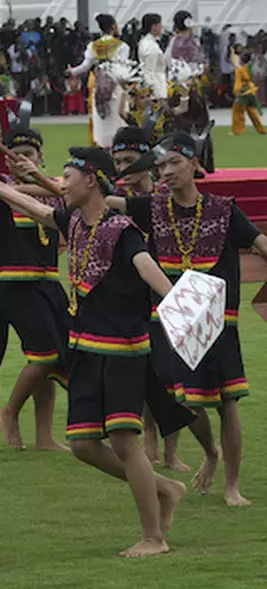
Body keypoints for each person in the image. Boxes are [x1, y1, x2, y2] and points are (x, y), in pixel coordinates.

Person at [0, 146, 190, 558]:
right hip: (87, 351)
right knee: (82, 445)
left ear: (91, 179)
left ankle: (154, 538)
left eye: (67, 176)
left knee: (126, 443)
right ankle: (165, 489)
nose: (61, 184)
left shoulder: (122, 229)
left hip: (123, 353)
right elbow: (39, 211)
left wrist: (180, 304)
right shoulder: (74, 223)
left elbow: (147, 267)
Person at [108, 133, 263, 507]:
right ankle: (211, 452)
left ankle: (232, 486)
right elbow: (99, 202)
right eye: (161, 166)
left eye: (175, 163)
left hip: (216, 319)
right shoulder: (152, 207)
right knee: (184, 401)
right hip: (171, 320)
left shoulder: (224, 210)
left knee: (227, 402)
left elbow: (259, 242)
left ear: (195, 164)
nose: (167, 171)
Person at [0, 126, 70, 452]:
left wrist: (38, 177)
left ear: (40, 158)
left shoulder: (55, 187)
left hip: (48, 282)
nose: (21, 160)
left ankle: (44, 437)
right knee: (45, 354)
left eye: (28, 155)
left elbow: (66, 197)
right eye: (14, 156)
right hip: (15, 284)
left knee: (53, 360)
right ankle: (10, 411)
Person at [66, 14, 131, 148]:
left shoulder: (93, 46)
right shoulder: (122, 46)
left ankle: (103, 146)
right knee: (118, 115)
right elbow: (124, 67)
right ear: (113, 27)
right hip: (116, 85)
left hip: (100, 87)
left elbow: (85, 66)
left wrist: (71, 71)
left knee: (102, 119)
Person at [230, 45, 265, 136]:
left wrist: (237, 91)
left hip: (243, 92)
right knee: (252, 111)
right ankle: (261, 130)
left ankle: (238, 130)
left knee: (237, 111)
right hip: (251, 91)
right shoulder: (249, 67)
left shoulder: (240, 69)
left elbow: (238, 81)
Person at [138, 13, 168, 103]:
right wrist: (157, 94)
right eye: (160, 24)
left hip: (155, 86)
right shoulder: (151, 46)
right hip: (156, 89)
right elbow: (150, 72)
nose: (162, 26)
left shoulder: (145, 42)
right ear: (153, 26)